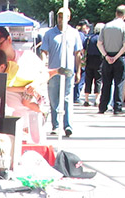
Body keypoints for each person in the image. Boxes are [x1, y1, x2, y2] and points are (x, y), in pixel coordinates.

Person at [41, 7, 82, 137]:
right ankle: (56, 125)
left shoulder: (74, 33)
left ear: (69, 18)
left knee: (67, 99)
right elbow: (44, 51)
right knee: (53, 98)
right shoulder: (49, 34)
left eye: (64, 17)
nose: (61, 19)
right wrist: (44, 68)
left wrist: (79, 70)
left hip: (68, 70)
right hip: (53, 71)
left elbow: (78, 54)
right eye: (59, 16)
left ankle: (68, 126)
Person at [97, 5, 125, 115]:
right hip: (119, 57)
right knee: (119, 83)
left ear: (116, 13)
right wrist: (116, 57)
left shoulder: (106, 26)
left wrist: (106, 56)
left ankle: (102, 106)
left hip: (107, 58)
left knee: (106, 83)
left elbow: (99, 43)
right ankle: (117, 107)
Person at [82, 23, 104, 107]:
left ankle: (86, 99)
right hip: (99, 60)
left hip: (89, 59)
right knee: (98, 79)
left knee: (88, 79)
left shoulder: (89, 38)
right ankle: (97, 99)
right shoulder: (101, 39)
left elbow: (84, 49)